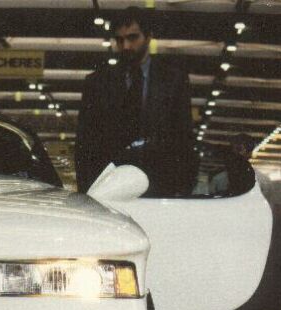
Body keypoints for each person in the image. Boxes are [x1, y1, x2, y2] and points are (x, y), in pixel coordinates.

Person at [75, 7, 197, 196]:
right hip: (109, 189)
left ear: (148, 36)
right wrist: (86, 191)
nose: (125, 46)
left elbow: (184, 139)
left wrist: (183, 190)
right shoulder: (96, 82)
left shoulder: (174, 80)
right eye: (119, 40)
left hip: (161, 189)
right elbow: (84, 144)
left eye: (133, 38)